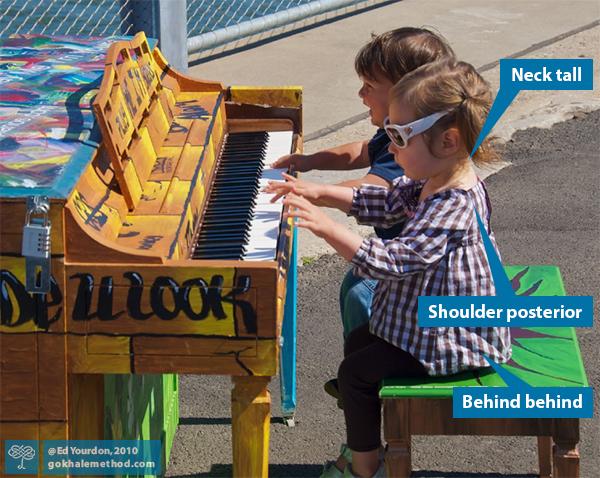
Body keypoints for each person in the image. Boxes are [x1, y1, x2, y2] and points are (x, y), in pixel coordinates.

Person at [265, 59, 512, 478]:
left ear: (448, 141)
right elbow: (386, 201)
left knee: (354, 373)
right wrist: (320, 191)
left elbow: (393, 262)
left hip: (456, 336)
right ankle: (365, 430)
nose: (389, 147)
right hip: (426, 318)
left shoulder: (454, 202)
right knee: (361, 339)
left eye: (397, 136)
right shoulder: (435, 178)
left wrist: (325, 228)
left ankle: (365, 467)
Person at [273, 27, 456, 341]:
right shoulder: (397, 130)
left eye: (369, 86)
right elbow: (361, 151)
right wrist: (311, 161)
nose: (361, 95)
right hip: (402, 258)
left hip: (423, 272)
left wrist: (314, 197)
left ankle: (375, 370)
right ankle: (363, 364)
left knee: (360, 291)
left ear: (407, 92)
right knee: (355, 284)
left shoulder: (413, 145)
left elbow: (374, 188)